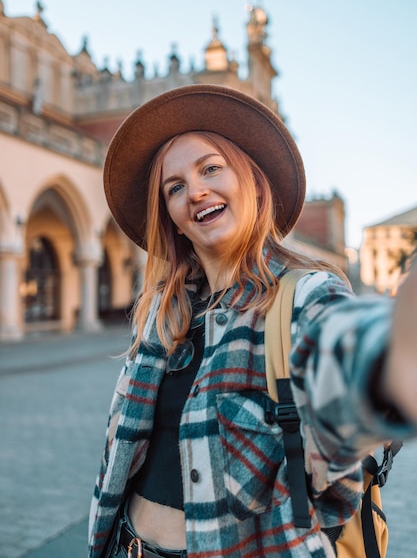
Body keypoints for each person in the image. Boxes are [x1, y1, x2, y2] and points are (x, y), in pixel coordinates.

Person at [88, 84, 417, 558]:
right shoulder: (165, 312)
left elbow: (352, 354)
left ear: (250, 179)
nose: (195, 191)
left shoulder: (306, 294)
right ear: (173, 218)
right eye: (175, 187)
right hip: (127, 546)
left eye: (210, 168)